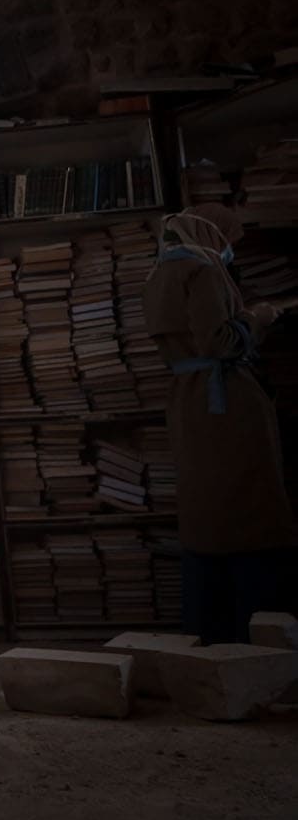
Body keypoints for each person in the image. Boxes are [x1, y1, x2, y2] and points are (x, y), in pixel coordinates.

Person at [143, 204, 296, 644]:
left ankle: (207, 635)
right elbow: (220, 341)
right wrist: (257, 318)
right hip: (226, 401)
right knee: (249, 508)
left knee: (204, 510)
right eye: (228, 240)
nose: (229, 250)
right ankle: (256, 635)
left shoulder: (159, 274)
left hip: (189, 400)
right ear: (212, 235)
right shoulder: (203, 270)